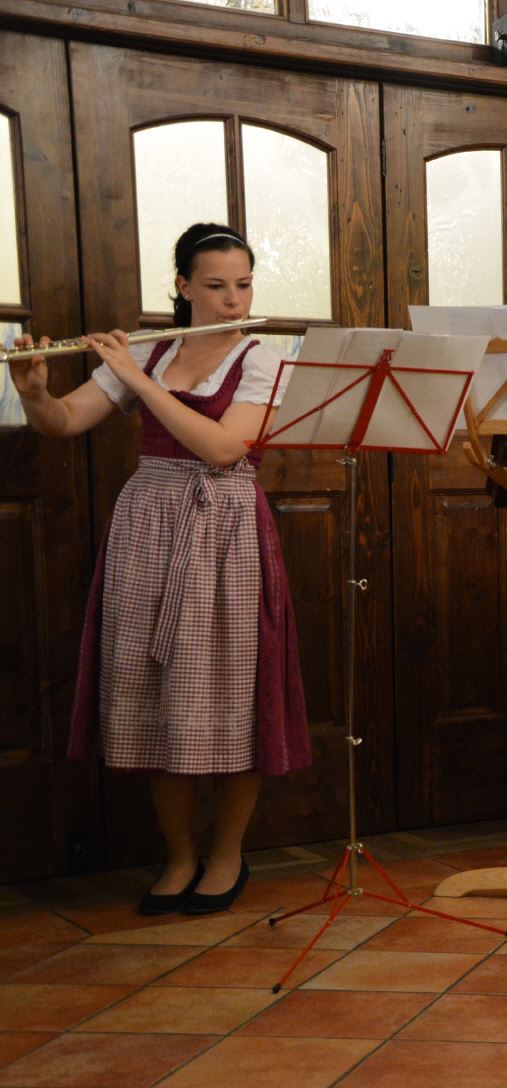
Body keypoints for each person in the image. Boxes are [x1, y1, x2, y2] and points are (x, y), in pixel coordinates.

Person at [7, 222, 309, 915]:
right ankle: (178, 857)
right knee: (154, 692)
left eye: (243, 285)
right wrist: (34, 392)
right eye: (216, 286)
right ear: (182, 287)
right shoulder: (150, 351)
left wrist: (138, 380)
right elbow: (64, 422)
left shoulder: (262, 360)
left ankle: (226, 855)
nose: (234, 300)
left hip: (225, 528)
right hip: (148, 524)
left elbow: (224, 449)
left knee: (232, 693)